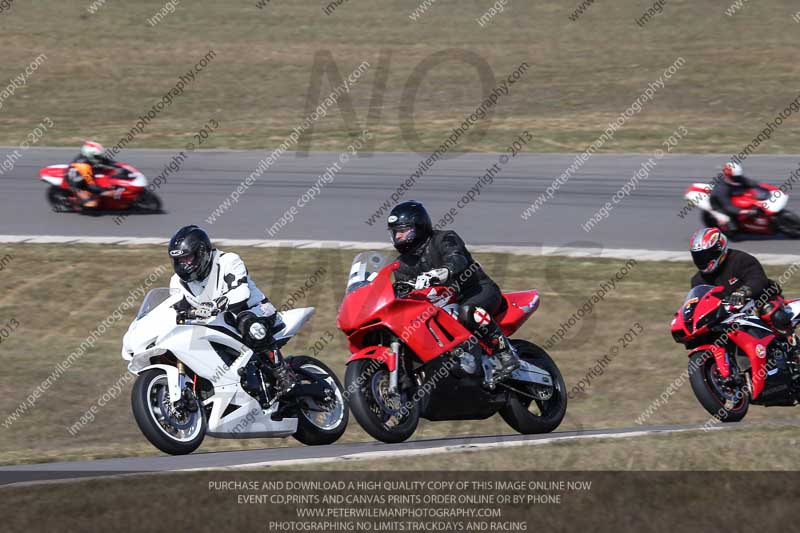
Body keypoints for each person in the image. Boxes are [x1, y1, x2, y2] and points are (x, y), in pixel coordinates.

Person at [387, 200, 520, 381]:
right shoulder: (401, 265)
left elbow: (457, 259)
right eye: (396, 232)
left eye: (403, 231)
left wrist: (441, 272)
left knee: (468, 311)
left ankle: (506, 355)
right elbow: (405, 296)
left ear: (419, 227)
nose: (399, 237)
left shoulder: (444, 239)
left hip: (476, 291)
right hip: (441, 305)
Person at [167, 225, 295, 395]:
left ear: (202, 252)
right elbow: (176, 311)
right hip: (216, 325)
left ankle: (282, 372)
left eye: (188, 258)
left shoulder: (228, 261)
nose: (184, 265)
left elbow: (241, 292)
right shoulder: (177, 283)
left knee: (246, 322)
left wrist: (215, 305)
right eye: (180, 261)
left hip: (256, 311)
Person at [689, 227, 794, 342]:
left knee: (769, 311)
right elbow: (699, 304)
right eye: (698, 256)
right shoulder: (697, 280)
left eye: (705, 255)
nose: (702, 260)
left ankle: (791, 343)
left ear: (718, 249)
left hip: (759, 301)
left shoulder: (740, 259)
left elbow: (758, 279)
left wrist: (743, 292)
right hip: (727, 316)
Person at [67, 141, 125, 209]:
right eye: (98, 156)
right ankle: (75, 201)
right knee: (91, 204)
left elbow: (106, 161)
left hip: (87, 173)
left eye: (100, 156)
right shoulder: (83, 166)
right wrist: (105, 192)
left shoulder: (91, 157)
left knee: (107, 173)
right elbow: (91, 185)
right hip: (77, 182)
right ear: (90, 155)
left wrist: (120, 165)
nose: (100, 157)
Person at [708, 162, 761, 233]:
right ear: (727, 176)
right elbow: (729, 207)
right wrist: (747, 211)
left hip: (731, 196)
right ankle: (724, 229)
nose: (737, 179)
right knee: (733, 228)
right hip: (720, 205)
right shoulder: (722, 189)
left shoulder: (735, 178)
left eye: (738, 177)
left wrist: (759, 185)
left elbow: (748, 181)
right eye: (735, 178)